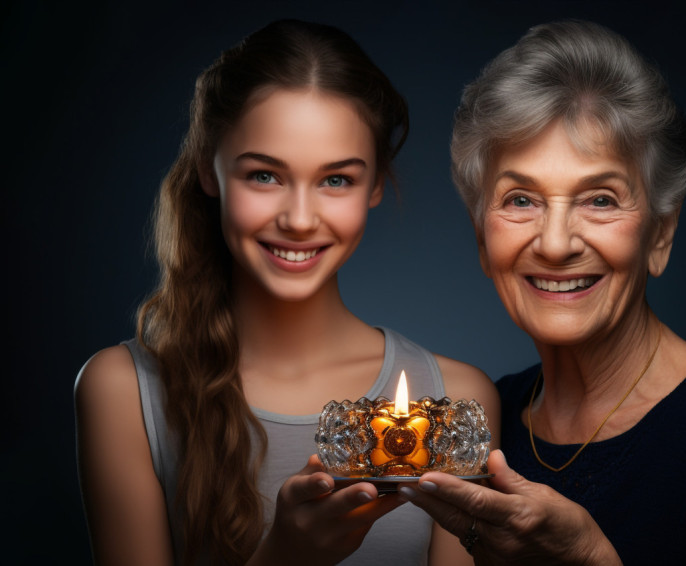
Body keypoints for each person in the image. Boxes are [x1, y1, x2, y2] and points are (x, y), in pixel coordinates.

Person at [74, 19, 499, 566]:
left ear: (374, 186)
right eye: (265, 176)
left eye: (336, 179)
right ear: (209, 169)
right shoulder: (122, 391)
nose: (299, 219)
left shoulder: (457, 398)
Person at [398, 20, 686, 564]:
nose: (553, 244)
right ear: (482, 237)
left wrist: (593, 558)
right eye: (520, 199)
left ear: (661, 232)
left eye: (599, 199)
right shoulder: (485, 418)